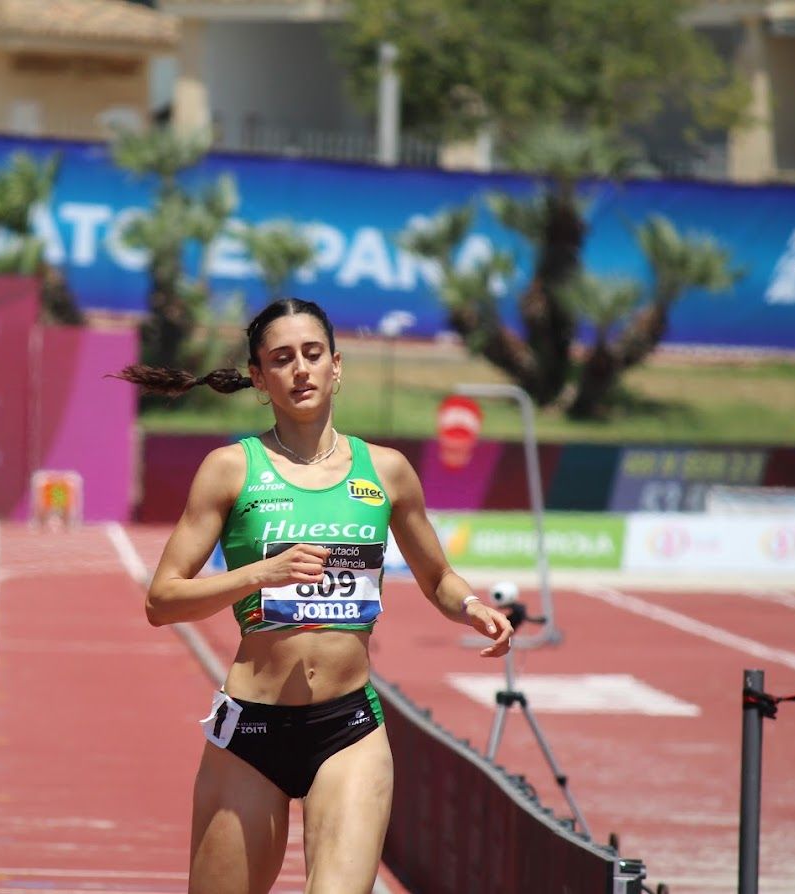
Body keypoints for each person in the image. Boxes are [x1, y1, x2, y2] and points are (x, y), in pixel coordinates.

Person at [113, 299, 514, 893]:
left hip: (348, 725)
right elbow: (162, 601)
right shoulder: (230, 469)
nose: (300, 369)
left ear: (336, 366)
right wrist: (259, 575)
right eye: (281, 359)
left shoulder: (387, 471)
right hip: (251, 729)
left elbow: (437, 578)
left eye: (312, 354)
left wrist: (470, 605)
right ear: (257, 377)